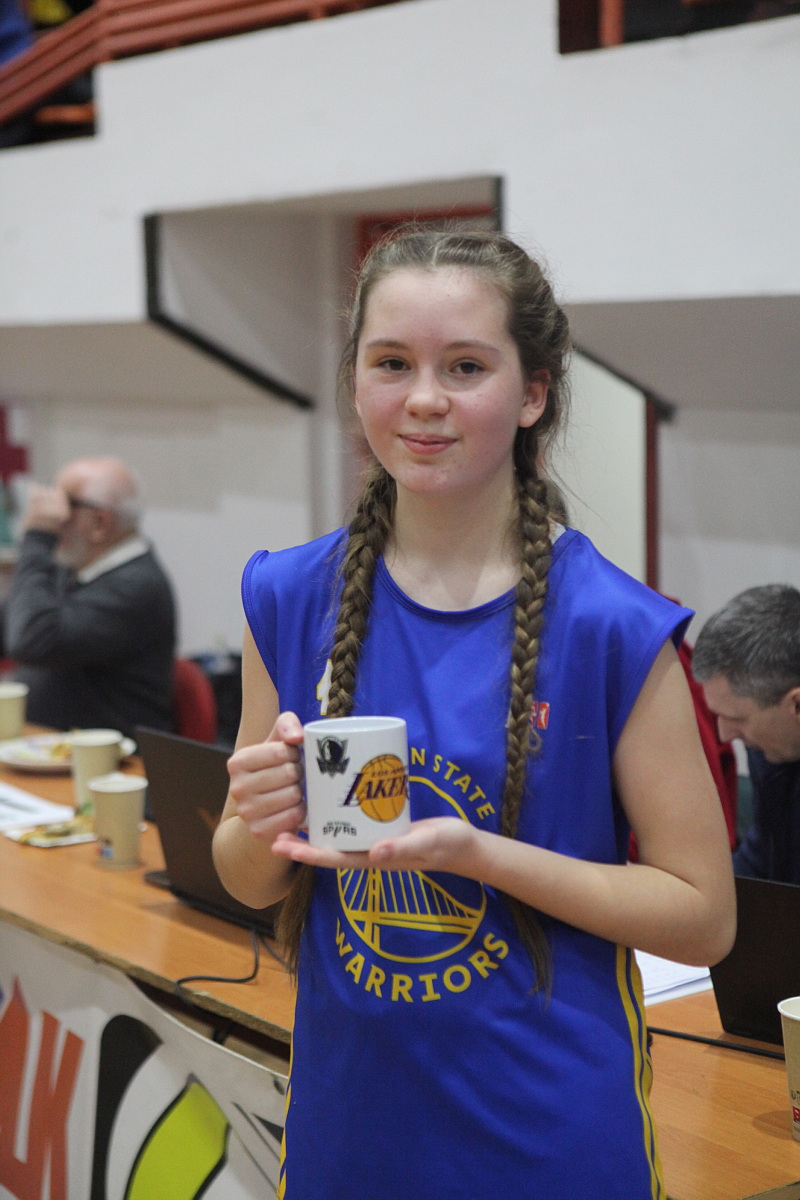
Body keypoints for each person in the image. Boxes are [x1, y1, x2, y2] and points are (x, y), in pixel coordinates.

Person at [212, 228, 735, 1199]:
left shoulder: (612, 626)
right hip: (347, 1129)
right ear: (355, 380)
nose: (423, 398)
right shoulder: (285, 595)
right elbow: (246, 879)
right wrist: (258, 817)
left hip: (546, 1141)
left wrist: (479, 856)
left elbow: (703, 920)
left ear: (532, 393)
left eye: (464, 366)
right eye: (391, 363)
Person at [2, 456, 177, 739]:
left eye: (61, 506)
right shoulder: (78, 565)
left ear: (99, 523)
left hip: (106, 758)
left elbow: (31, 641)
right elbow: (12, 623)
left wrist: (38, 539)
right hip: (44, 743)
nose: (51, 517)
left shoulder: (136, 586)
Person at [693, 584, 800, 884]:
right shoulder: (770, 752)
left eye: (736, 719)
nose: (724, 735)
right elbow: (760, 864)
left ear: (796, 705)